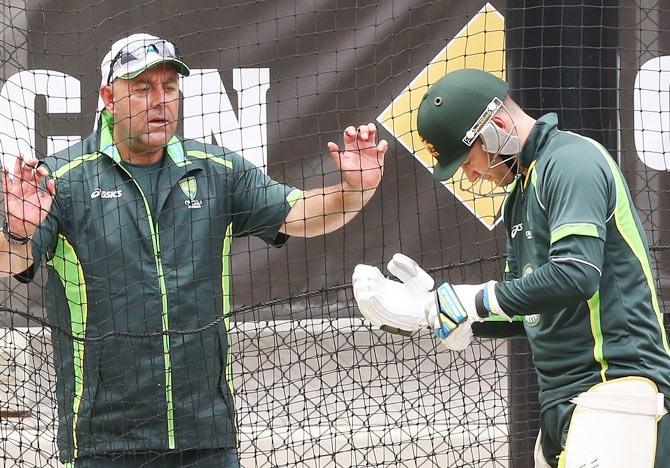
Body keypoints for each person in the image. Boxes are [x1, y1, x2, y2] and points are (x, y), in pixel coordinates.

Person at [0, 33, 387, 467]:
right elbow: (12, 262)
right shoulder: (64, 179)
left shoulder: (216, 171)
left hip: (206, 438)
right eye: (142, 88)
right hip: (102, 442)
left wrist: (353, 191)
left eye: (169, 88)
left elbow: (300, 214)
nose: (159, 101)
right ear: (108, 97)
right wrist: (17, 230)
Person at [351, 68, 670, 468]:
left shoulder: (571, 160)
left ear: (497, 125)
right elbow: (530, 309)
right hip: (562, 402)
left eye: (468, 159)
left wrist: (473, 300)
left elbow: (576, 274)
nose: (470, 174)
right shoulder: (519, 194)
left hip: (617, 389)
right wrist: (436, 311)